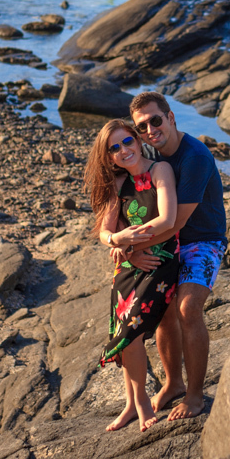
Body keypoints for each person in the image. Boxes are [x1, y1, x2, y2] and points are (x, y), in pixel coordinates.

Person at [128, 91, 227, 421]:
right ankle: (173, 384)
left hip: (203, 241)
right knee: (163, 308)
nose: (150, 130)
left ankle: (196, 396)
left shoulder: (194, 156)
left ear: (171, 117)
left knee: (187, 307)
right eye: (142, 127)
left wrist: (135, 248)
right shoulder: (148, 153)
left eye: (156, 120)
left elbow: (177, 222)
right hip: (168, 241)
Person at [84, 118, 181, 432]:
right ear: (109, 156)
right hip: (127, 268)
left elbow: (167, 220)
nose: (123, 150)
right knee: (126, 336)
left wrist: (129, 242)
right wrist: (117, 242)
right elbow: (105, 232)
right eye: (114, 148)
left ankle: (140, 401)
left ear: (138, 141)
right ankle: (131, 403)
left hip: (160, 261)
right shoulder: (117, 184)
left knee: (132, 331)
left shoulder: (159, 171)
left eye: (127, 142)